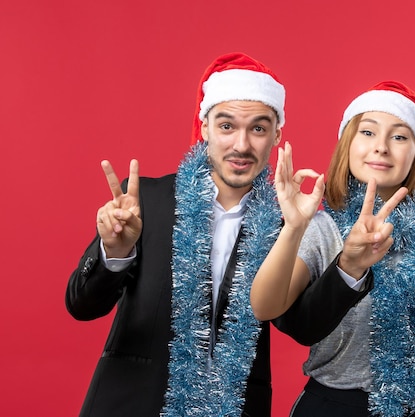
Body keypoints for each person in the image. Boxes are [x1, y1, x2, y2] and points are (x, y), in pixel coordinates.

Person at [250, 80, 415, 417]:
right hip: (333, 404)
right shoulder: (322, 229)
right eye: (367, 132)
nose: (381, 147)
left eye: (399, 136)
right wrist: (292, 228)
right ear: (347, 144)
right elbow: (264, 306)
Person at [65, 52, 304, 417]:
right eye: (226, 126)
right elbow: (81, 305)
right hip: (135, 404)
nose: (241, 145)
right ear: (205, 127)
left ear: (276, 135)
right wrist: (114, 252)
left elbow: (296, 322)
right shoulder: (146, 201)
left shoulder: (287, 223)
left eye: (258, 128)